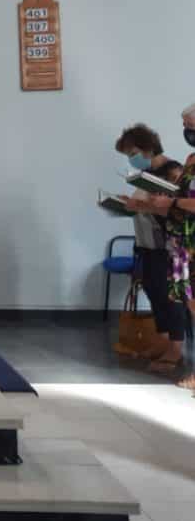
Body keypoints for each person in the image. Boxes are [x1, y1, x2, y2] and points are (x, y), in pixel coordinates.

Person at [134, 104, 195, 391]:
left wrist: (170, 202)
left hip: (188, 242)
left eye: (189, 125)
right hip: (181, 242)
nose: (186, 131)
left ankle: (184, 360)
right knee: (189, 305)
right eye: (184, 124)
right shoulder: (192, 160)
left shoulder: (176, 165)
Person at [115, 124, 186, 371]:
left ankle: (176, 348)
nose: (131, 159)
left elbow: (173, 209)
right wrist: (128, 204)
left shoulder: (173, 170)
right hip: (148, 243)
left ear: (147, 147)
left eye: (132, 153)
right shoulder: (147, 176)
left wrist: (142, 207)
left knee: (170, 296)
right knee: (154, 291)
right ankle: (163, 340)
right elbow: (149, 204)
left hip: (168, 244)